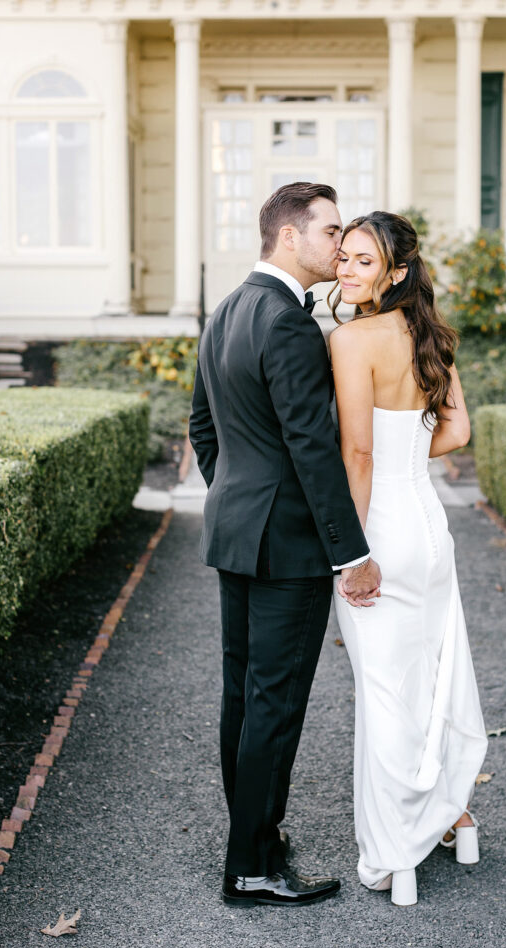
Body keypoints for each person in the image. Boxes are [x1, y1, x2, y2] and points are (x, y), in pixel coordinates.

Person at [189, 183, 382, 908]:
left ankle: (256, 842)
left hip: (236, 533)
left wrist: (238, 498)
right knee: (274, 705)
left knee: (243, 696)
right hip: (287, 550)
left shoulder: (227, 311)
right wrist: (350, 552)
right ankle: (250, 866)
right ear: (289, 238)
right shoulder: (289, 323)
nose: (339, 243)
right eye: (330, 230)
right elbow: (311, 449)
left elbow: (204, 432)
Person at [329, 211, 488, 908]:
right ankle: (456, 815)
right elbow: (457, 429)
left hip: (383, 531)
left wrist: (349, 551)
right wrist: (402, 459)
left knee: (386, 692)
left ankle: (395, 858)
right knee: (433, 674)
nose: (344, 270)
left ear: (394, 273)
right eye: (342, 257)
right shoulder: (430, 336)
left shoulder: (351, 338)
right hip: (427, 526)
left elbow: (357, 454)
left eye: (361, 261)